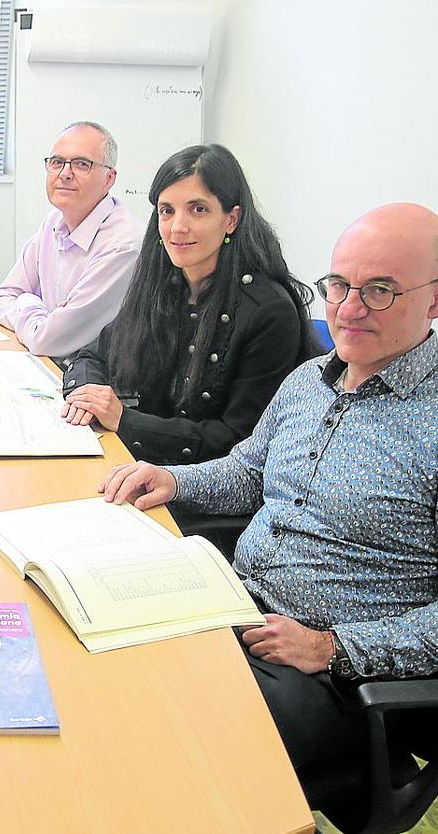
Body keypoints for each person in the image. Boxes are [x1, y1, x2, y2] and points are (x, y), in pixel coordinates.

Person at [99, 202, 438, 801]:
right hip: (232, 604)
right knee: (105, 665)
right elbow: (249, 472)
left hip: (329, 675)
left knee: (168, 750)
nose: (349, 309)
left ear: (433, 301)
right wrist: (173, 481)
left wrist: (335, 648)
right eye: (340, 285)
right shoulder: (309, 381)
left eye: (380, 291)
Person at [61, 144, 318, 465]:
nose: (178, 227)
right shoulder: (163, 284)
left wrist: (125, 421)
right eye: (167, 211)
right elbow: (93, 355)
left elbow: (240, 443)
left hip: (210, 486)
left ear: (231, 219)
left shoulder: (268, 311)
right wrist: (85, 395)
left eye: (198, 209)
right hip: (147, 463)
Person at [0, 121, 140, 360]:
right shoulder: (52, 223)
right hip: (47, 366)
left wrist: (26, 303)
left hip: (97, 385)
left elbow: (46, 340)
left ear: (109, 178)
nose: (65, 173)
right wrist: (40, 314)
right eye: (57, 162)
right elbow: (0, 298)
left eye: (81, 164)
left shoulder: (122, 245)